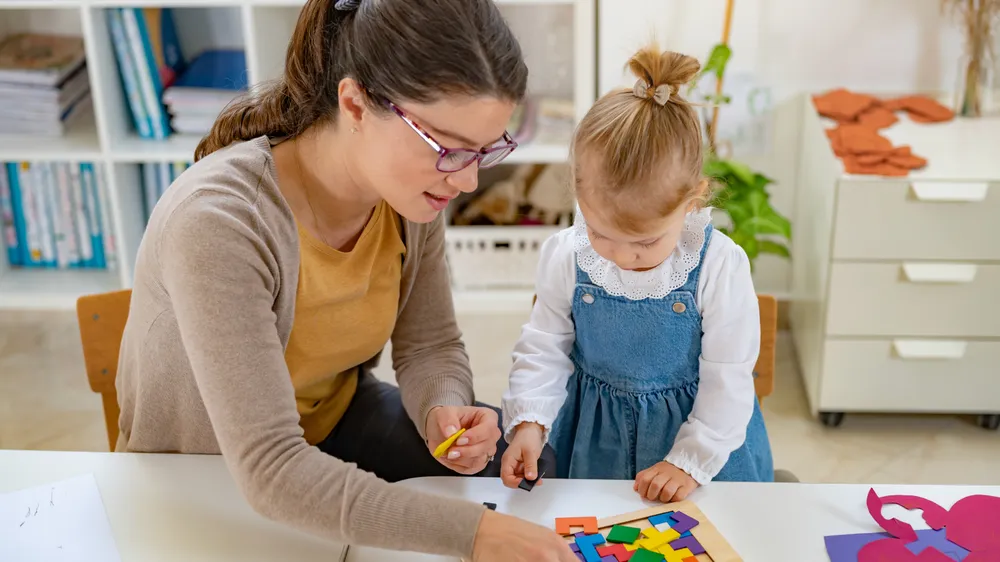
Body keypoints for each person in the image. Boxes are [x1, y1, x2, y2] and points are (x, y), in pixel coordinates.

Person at [114, 0, 571, 560]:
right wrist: (474, 533)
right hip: (217, 470)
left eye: (485, 150)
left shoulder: (413, 193)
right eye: (449, 149)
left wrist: (442, 409)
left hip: (334, 419)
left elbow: (430, 343)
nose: (470, 179)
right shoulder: (219, 222)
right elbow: (271, 467)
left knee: (530, 466)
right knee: (479, 523)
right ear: (354, 104)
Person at [499, 44, 775, 502]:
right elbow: (544, 347)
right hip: (590, 441)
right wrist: (531, 421)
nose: (621, 257)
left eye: (645, 242)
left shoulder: (718, 267)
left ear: (693, 201)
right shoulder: (568, 255)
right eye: (600, 233)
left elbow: (728, 380)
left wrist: (689, 460)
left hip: (698, 449)